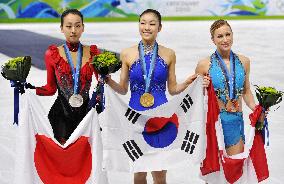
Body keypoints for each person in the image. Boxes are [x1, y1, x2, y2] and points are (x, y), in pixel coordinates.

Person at [106, 9, 210, 184]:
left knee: (159, 171)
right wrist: (107, 80)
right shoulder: (127, 53)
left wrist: (189, 83)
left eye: (152, 24)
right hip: (136, 117)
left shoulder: (169, 54)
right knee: (138, 171)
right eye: (143, 23)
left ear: (160, 27)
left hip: (161, 116)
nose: (147, 27)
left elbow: (173, 89)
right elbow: (123, 89)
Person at [26, 9, 100, 144]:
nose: (73, 30)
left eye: (77, 26)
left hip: (86, 118)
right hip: (61, 118)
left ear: (83, 28)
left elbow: (102, 83)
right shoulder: (52, 54)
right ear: (61, 28)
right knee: (63, 161)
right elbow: (50, 89)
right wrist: (28, 88)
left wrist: (101, 95)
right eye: (68, 26)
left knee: (85, 161)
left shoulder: (93, 53)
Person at [195, 19, 264, 156]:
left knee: (234, 169)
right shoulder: (204, 64)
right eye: (219, 36)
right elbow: (195, 96)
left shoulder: (244, 62)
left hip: (235, 120)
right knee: (216, 170)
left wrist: (256, 108)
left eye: (228, 34)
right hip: (214, 121)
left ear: (232, 35)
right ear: (213, 39)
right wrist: (202, 87)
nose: (225, 39)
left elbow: (246, 91)